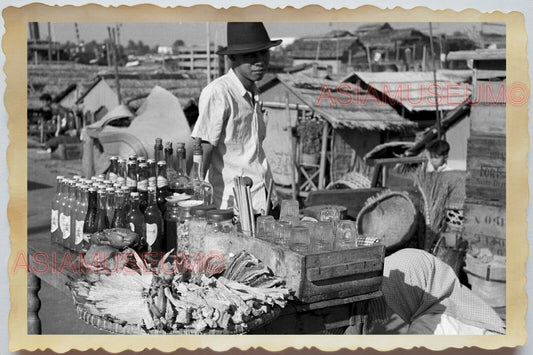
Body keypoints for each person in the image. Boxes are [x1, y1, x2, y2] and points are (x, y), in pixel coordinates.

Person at [191, 22, 281, 215]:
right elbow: (203, 148)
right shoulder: (220, 92)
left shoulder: (253, 93)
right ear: (232, 58)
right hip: (233, 206)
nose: (259, 61)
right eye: (250, 55)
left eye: (263, 53)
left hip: (263, 198)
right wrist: (194, 202)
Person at [364, 248, 505, 335]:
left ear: (409, 292)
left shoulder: (428, 328)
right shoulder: (465, 304)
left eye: (395, 293)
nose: (392, 303)